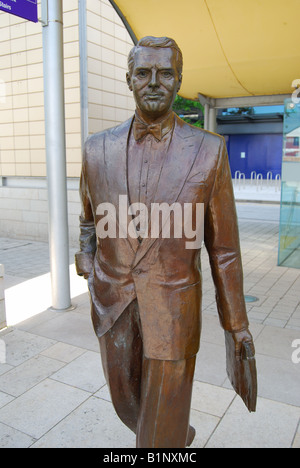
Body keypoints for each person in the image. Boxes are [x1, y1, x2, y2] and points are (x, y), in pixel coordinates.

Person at [75, 36, 256, 448]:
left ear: (178, 81)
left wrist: (237, 325)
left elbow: (224, 250)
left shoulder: (210, 151)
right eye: (143, 73)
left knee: (156, 438)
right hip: (113, 305)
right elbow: (88, 218)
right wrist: (87, 264)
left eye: (165, 73)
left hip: (174, 308)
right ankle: (173, 434)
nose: (153, 82)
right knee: (127, 403)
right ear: (128, 79)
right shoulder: (96, 149)